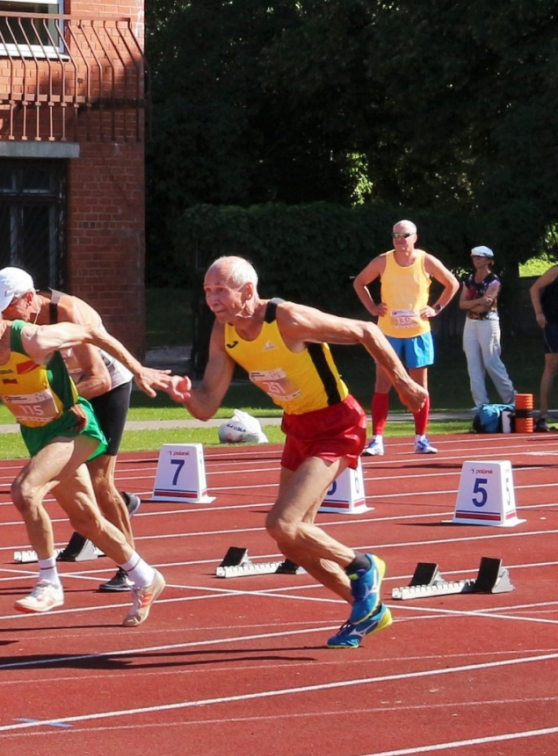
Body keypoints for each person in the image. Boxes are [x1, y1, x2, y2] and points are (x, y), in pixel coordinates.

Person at [173, 256, 427, 648]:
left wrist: (405, 383)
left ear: (247, 291)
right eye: (208, 291)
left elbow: (365, 330)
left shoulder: (287, 319)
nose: (212, 299)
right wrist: (184, 394)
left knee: (282, 524)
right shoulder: (224, 330)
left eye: (220, 290)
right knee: (291, 541)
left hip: (338, 425)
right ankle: (369, 610)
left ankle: (364, 565)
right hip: (298, 427)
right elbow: (207, 405)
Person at [0, 287, 172, 624]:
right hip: (39, 435)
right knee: (86, 521)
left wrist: (138, 369)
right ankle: (146, 577)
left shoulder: (33, 339)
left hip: (74, 428)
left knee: (25, 491)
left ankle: (49, 583)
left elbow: (90, 333)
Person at [0, 267, 142, 594]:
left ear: (29, 298)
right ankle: (120, 506)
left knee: (100, 480)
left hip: (107, 386)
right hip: (68, 393)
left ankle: (130, 568)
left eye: (9, 310)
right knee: (75, 480)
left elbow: (99, 377)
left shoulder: (67, 312)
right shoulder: (22, 326)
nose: (6, 320)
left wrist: (59, 403)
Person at [351, 220, 457, 455]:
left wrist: (436, 309)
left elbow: (452, 283)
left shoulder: (425, 260)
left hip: (418, 332)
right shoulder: (383, 261)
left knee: (419, 387)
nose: (399, 240)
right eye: (395, 235)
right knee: (382, 384)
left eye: (404, 235)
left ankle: (421, 438)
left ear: (414, 237)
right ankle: (377, 439)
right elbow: (359, 282)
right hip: (387, 333)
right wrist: (372, 307)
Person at [459, 246, 515, 410]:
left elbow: (485, 307)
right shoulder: (469, 279)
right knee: (473, 364)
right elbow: (462, 304)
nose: (476, 259)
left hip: (488, 322)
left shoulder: (493, 281)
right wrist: (478, 301)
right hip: (470, 323)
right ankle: (481, 403)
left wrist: (473, 304)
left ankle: (511, 398)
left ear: (489, 260)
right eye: (474, 256)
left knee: (491, 362)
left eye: (480, 257)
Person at [531, 262, 558, 432]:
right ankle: (543, 414)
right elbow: (534, 288)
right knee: (552, 365)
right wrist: (539, 313)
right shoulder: (555, 271)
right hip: (553, 322)